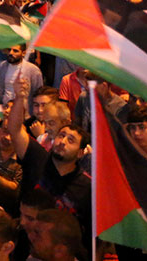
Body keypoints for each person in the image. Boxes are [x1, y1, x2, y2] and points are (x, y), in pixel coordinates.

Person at [9, 78, 91, 237]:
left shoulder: (87, 187)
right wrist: (20, 97)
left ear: (81, 152)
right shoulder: (38, 157)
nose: (63, 142)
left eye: (71, 140)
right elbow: (15, 129)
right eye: (61, 135)